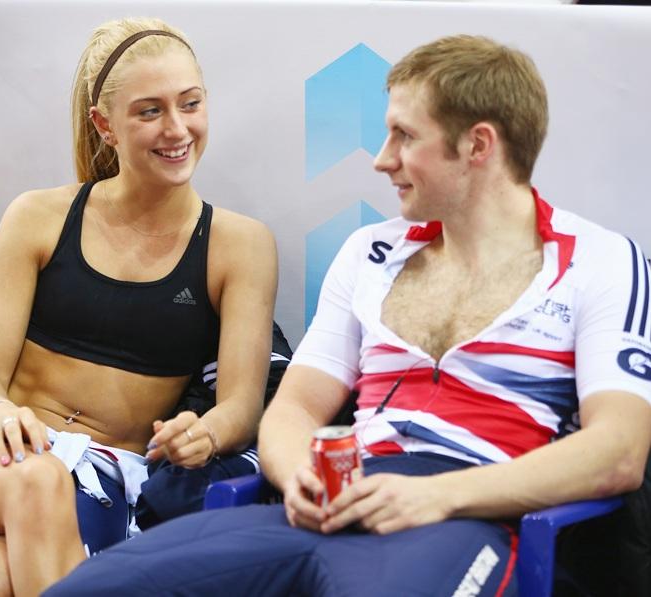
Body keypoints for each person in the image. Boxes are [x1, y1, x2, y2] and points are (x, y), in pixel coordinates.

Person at [44, 34, 651, 597]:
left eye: (404, 137)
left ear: (478, 145)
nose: (382, 160)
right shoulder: (371, 251)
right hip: (329, 507)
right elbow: (297, 408)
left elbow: (620, 451)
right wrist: (295, 473)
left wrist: (437, 498)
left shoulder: (599, 260)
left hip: (470, 518)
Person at [0, 16, 277, 597]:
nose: (177, 129)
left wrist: (206, 433)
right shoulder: (37, 216)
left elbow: (240, 406)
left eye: (190, 104)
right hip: (2, 447)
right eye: (150, 111)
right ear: (105, 125)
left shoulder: (241, 246)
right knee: (38, 482)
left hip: (106, 474)